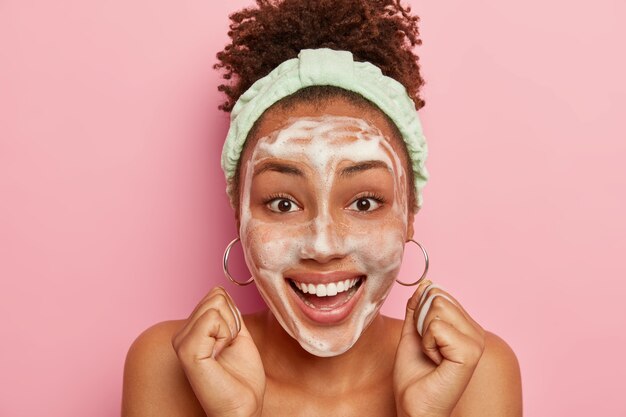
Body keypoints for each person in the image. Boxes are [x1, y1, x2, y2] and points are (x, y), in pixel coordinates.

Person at [121, 1, 523, 416]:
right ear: (239, 214)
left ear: (409, 215)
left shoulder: (474, 372)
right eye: (283, 203)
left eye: (364, 202)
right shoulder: (171, 364)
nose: (323, 245)